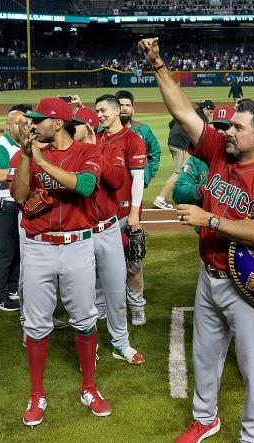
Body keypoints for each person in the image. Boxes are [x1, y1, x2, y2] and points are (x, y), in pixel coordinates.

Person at [139, 37, 254, 443]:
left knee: (253, 367)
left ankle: (252, 436)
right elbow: (184, 113)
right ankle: (205, 418)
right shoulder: (219, 152)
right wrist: (158, 65)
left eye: (237, 128)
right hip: (209, 275)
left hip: (250, 285)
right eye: (227, 125)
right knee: (205, 355)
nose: (226, 131)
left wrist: (210, 217)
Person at [12, 97, 110, 426]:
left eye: (38, 120)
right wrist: (28, 157)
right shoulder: (31, 152)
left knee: (84, 317)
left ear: (57, 123)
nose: (32, 125)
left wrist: (42, 159)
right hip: (38, 246)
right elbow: (19, 196)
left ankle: (89, 388)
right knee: (36, 323)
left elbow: (84, 186)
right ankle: (37, 393)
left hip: (76, 246)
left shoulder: (87, 152)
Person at [73, 106, 145, 365]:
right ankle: (87, 346)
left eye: (76, 124)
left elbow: (115, 181)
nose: (71, 128)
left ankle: (121, 343)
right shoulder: (66, 153)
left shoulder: (111, 150)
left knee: (115, 291)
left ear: (89, 127)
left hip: (108, 229)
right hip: (79, 233)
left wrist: (95, 152)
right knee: (84, 295)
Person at [96, 94, 149, 328]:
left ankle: (137, 306)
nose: (100, 115)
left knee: (132, 263)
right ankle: (101, 307)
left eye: (103, 110)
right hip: (100, 214)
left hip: (125, 214)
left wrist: (135, 212)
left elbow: (138, 178)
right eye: (97, 111)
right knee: (98, 264)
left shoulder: (132, 139)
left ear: (117, 111)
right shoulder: (96, 138)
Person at [115, 90, 159, 327]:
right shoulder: (102, 135)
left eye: (127, 105)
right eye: (119, 105)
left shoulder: (142, 131)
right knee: (103, 260)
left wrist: (144, 178)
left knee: (133, 259)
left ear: (133, 107)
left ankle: (136, 306)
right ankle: (107, 306)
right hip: (107, 207)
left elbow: (155, 155)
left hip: (132, 206)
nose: (123, 109)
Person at [0, 104, 32, 312]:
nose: (23, 126)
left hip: (18, 203)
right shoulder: (0, 147)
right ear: (8, 126)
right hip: (5, 206)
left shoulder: (23, 145)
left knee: (18, 249)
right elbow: (0, 175)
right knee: (6, 251)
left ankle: (13, 288)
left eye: (25, 122)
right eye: (18, 123)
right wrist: (27, 172)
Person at [156, 100, 214, 209]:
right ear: (206, 109)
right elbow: (201, 138)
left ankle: (186, 196)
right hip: (180, 144)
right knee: (179, 171)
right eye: (210, 112)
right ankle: (161, 198)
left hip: (172, 141)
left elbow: (171, 123)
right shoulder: (203, 119)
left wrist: (177, 133)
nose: (210, 114)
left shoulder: (191, 113)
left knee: (185, 168)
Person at [172, 106, 234, 208]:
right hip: (203, 221)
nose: (220, 131)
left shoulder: (244, 157)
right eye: (217, 127)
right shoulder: (198, 158)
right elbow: (178, 192)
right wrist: (201, 190)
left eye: (225, 127)